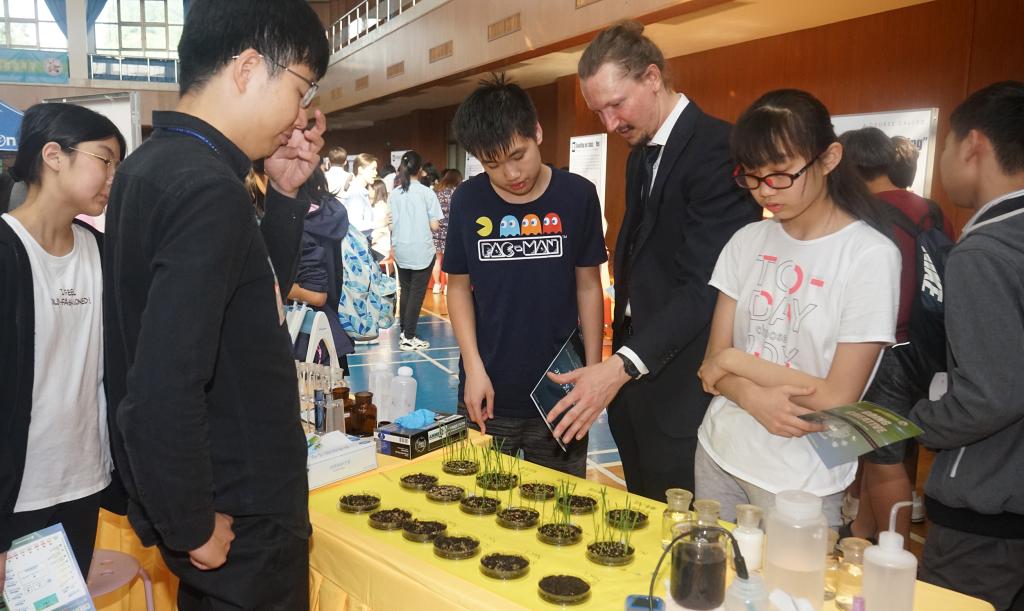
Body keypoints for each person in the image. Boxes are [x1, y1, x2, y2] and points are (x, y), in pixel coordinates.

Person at [102, 0, 329, 608]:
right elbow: (162, 385)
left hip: (222, 497)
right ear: (249, 68)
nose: (301, 115)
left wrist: (284, 195)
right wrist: (191, 522)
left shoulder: (152, 167)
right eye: (301, 89)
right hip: (240, 513)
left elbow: (248, 309)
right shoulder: (207, 187)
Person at [547, 21, 759, 498]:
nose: (610, 124)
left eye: (617, 104)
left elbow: (704, 286)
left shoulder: (717, 149)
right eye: (599, 112)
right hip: (636, 387)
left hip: (682, 390)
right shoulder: (640, 150)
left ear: (652, 77)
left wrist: (619, 367)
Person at [694, 90, 901, 527]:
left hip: (802, 478)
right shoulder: (746, 241)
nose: (765, 191)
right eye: (752, 177)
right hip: (720, 449)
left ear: (828, 159)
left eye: (780, 174)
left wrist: (734, 362)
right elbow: (711, 364)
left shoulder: (870, 255)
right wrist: (751, 396)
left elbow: (836, 396)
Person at [444, 75, 606, 476]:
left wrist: (593, 371)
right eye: (493, 165)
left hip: (562, 394)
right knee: (479, 503)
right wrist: (473, 368)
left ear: (537, 132)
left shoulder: (578, 195)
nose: (511, 173)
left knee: (561, 506)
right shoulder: (468, 200)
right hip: (487, 391)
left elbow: (589, 287)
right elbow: (458, 288)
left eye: (519, 155)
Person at [908, 81, 1024, 611]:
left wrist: (918, 422)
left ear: (973, 144)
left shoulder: (983, 252)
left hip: (987, 512)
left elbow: (990, 395)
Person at [0, 102, 125, 591]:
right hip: (16, 496)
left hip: (84, 482)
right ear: (53, 155)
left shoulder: (101, 251)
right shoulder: (7, 251)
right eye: (105, 160)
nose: (113, 176)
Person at [839, 127, 954, 543]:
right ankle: (864, 531)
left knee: (881, 458)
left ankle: (894, 551)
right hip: (925, 348)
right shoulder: (929, 208)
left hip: (884, 348)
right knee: (895, 449)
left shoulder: (866, 214)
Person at [289, 168, 355, 368]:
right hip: (335, 328)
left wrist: (271, 286)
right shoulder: (332, 210)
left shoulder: (299, 224)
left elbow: (317, 295)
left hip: (308, 336)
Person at [389, 150, 442, 351]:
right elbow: (435, 226)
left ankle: (405, 332)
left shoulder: (395, 193)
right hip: (421, 249)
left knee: (406, 290)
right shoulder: (427, 193)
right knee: (416, 294)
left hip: (401, 248)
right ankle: (408, 337)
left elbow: (391, 224)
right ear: (420, 170)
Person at [431, 168, 461, 294]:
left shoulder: (436, 192)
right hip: (450, 232)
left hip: (436, 230)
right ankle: (448, 287)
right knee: (449, 261)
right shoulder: (456, 192)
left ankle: (437, 285)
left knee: (437, 260)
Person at [343, 152, 378, 238]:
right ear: (360, 170)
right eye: (373, 169)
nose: (376, 173)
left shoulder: (359, 192)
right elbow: (355, 225)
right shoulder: (355, 193)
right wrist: (379, 223)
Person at [368, 178, 391, 263]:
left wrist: (367, 243)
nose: (368, 191)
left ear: (376, 190)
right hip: (378, 247)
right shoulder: (379, 206)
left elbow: (381, 232)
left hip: (380, 249)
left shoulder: (380, 208)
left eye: (370, 189)